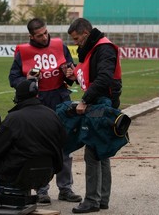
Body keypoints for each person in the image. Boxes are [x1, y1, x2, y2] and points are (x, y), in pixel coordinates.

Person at [8, 18, 82, 204]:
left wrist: (70, 73)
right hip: (38, 103)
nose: (44, 37)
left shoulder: (60, 45)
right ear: (31, 36)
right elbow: (13, 78)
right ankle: (42, 190)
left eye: (45, 32)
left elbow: (72, 70)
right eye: (39, 35)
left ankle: (65, 188)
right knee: (40, 147)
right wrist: (27, 80)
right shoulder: (23, 52)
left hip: (60, 99)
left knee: (65, 145)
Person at [0, 79, 67, 210]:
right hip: (46, 174)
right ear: (36, 95)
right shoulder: (52, 114)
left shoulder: (14, 118)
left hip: (18, 174)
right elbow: (63, 141)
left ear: (18, 97)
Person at [65, 18, 122, 213]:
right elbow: (92, 74)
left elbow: (104, 78)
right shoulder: (94, 48)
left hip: (102, 106)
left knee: (92, 152)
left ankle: (91, 200)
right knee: (101, 152)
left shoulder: (103, 48)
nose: (75, 43)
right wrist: (74, 75)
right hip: (102, 103)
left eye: (76, 38)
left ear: (86, 34)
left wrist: (85, 100)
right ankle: (101, 199)